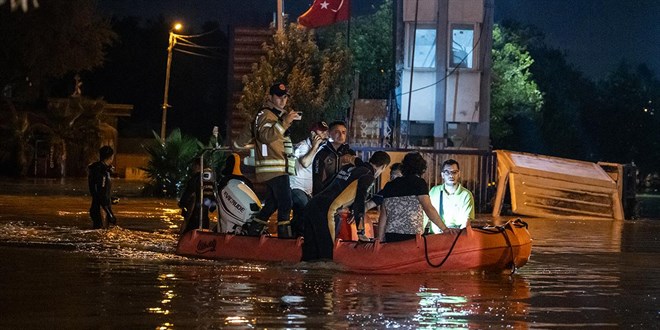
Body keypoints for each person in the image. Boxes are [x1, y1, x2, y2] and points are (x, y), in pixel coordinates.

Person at [302, 151, 391, 261]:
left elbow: (336, 188)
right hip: (326, 211)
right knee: (327, 256)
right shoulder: (368, 175)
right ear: (383, 167)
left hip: (312, 205)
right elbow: (360, 201)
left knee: (309, 254)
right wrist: (361, 232)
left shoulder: (350, 168)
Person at [246, 82, 301, 238]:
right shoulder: (265, 114)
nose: (283, 100)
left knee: (272, 203)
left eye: (285, 97)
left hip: (278, 167)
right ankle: (284, 238)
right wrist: (285, 122)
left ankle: (253, 230)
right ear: (270, 97)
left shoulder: (276, 115)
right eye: (279, 96)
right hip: (273, 168)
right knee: (286, 203)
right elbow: (265, 136)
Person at [376, 153, 457, 243]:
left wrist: (379, 239)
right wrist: (444, 229)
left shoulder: (389, 186)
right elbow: (428, 208)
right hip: (412, 236)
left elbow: (383, 215)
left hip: (391, 235)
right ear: (422, 169)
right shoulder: (419, 183)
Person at [290, 121, 329, 237]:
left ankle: (298, 235)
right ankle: (299, 235)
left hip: (309, 190)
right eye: (321, 131)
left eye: (325, 131)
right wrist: (314, 147)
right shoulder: (303, 146)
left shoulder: (322, 149)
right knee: (305, 207)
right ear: (313, 133)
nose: (324, 134)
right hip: (296, 187)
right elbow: (305, 162)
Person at [424, 159, 475, 232]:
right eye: (447, 172)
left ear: (459, 174)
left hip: (455, 236)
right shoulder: (434, 191)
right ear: (442, 175)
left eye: (454, 172)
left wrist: (459, 237)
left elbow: (466, 222)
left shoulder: (466, 195)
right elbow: (426, 213)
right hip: (435, 237)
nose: (451, 175)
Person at [178, 158, 218, 234]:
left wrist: (182, 204)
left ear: (197, 166)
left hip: (192, 219)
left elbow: (185, 199)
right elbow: (212, 206)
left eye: (193, 166)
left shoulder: (194, 179)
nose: (192, 168)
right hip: (205, 220)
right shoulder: (209, 181)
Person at [312, 120, 351, 195]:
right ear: (329, 134)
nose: (341, 135)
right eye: (337, 132)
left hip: (344, 198)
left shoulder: (350, 153)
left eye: (343, 132)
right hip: (326, 197)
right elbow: (317, 183)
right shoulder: (322, 154)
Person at [88, 146, 117, 229]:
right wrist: (109, 213)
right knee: (102, 236)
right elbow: (100, 192)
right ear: (111, 157)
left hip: (98, 207)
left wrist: (110, 198)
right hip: (101, 209)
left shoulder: (97, 169)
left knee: (100, 234)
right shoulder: (102, 172)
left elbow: (99, 190)